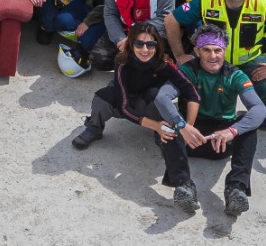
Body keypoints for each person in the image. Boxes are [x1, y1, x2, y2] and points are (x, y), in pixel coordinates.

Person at [165, 27, 266, 216]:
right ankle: (183, 185)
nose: (213, 56)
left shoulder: (235, 75)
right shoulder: (186, 71)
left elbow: (259, 109)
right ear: (196, 51)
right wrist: (182, 125)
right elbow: (163, 98)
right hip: (188, 137)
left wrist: (232, 131)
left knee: (247, 120)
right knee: (165, 121)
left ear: (225, 51)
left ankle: (236, 189)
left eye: (218, 50)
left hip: (220, 141)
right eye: (206, 50)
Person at [72, 20, 192, 150]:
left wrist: (187, 125)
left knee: (160, 97)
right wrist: (154, 125)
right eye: (138, 44)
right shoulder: (122, 61)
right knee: (102, 98)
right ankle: (94, 128)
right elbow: (123, 106)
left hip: (148, 103)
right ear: (131, 44)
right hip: (124, 100)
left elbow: (188, 89)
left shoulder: (164, 64)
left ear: (157, 46)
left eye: (151, 44)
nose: (145, 50)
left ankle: (164, 134)